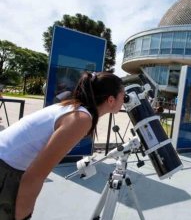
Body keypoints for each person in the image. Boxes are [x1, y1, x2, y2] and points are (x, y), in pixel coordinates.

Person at [0, 71, 125, 220]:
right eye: (123, 96)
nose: (125, 100)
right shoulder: (81, 119)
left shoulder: (75, 108)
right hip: (6, 168)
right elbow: (35, 176)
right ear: (111, 100)